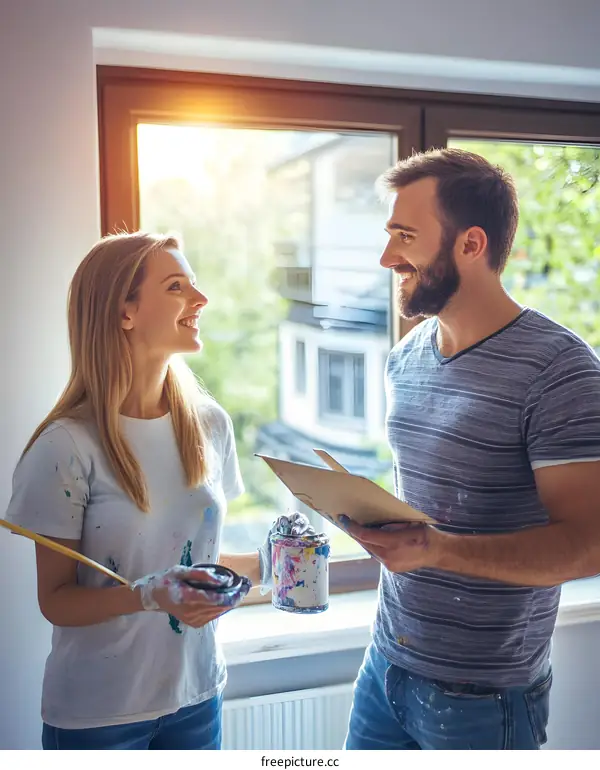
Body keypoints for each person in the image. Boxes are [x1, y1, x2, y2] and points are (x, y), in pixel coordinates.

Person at [4, 231, 303, 750]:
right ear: (125, 312)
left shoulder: (210, 425)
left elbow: (193, 561)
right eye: (176, 286)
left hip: (197, 698)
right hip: (98, 716)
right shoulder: (65, 447)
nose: (201, 299)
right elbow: (55, 600)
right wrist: (146, 596)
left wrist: (276, 561)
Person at [342, 148, 600, 750]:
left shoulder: (559, 371)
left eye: (405, 237)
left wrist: (435, 549)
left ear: (471, 245)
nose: (387, 258)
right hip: (385, 667)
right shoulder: (406, 357)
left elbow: (588, 546)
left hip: (484, 697)